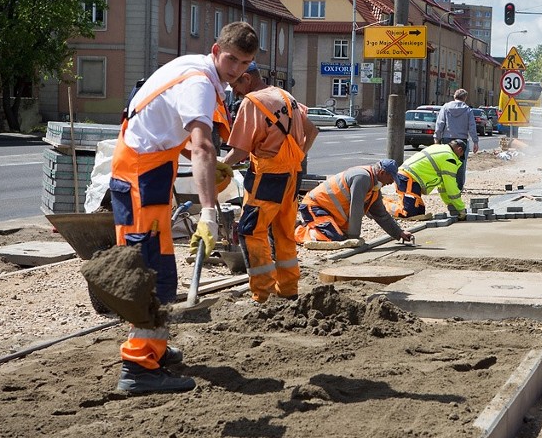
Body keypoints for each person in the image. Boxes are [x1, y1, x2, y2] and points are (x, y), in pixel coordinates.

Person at [108, 21, 258, 394]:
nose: (236, 70)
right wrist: (209, 211)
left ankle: (153, 349)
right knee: (150, 271)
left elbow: (165, 126)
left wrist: (201, 161)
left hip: (144, 171)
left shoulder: (191, 66)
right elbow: (202, 146)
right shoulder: (199, 84)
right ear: (216, 50)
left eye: (244, 64)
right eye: (232, 59)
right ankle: (139, 367)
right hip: (142, 177)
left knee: (154, 264)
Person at [220, 62, 319, 304]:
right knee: (284, 232)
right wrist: (298, 156)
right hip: (293, 174)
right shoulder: (286, 96)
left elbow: (240, 151)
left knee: (251, 231)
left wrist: (220, 165)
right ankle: (288, 289)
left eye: (235, 85)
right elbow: (313, 131)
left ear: (246, 78)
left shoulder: (253, 102)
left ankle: (263, 293)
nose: (235, 92)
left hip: (268, 176)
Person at [295, 159, 415, 245]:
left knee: (341, 237)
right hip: (314, 207)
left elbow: (381, 215)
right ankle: (297, 231)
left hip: (328, 212)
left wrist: (399, 233)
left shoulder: (374, 188)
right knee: (334, 238)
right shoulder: (362, 178)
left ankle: (311, 226)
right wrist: (354, 238)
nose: (391, 182)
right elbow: (356, 209)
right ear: (382, 173)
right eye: (391, 178)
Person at [384, 139, 468, 220]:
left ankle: (392, 204)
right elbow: (451, 187)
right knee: (408, 213)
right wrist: (460, 208)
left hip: (410, 179)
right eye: (460, 155)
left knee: (420, 212)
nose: (459, 158)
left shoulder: (440, 148)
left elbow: (443, 188)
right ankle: (381, 205)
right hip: (407, 179)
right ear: (460, 150)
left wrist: (450, 204)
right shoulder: (450, 159)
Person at [434, 88, 478, 191]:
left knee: (446, 163)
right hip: (462, 141)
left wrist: (437, 138)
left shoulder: (445, 107)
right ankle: (459, 187)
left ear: (454, 96)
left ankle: (445, 186)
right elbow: (472, 126)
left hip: (447, 140)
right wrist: (475, 141)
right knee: (461, 165)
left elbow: (440, 123)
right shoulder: (468, 110)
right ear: (465, 98)